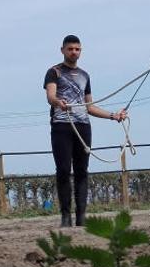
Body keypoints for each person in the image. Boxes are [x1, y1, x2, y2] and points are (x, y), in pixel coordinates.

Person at [44, 34, 127, 227]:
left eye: (77, 49)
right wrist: (58, 102)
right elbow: (51, 96)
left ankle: (81, 216)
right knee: (63, 170)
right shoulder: (53, 72)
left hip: (83, 126)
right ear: (63, 50)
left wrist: (113, 116)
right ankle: (66, 217)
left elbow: (90, 106)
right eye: (70, 48)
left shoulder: (85, 75)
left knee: (82, 171)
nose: (74, 52)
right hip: (62, 126)